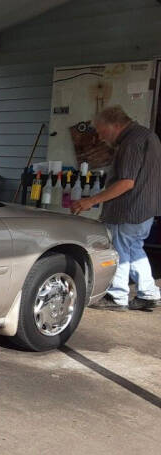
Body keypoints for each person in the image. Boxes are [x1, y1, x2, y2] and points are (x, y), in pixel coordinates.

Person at [72, 106, 161, 311]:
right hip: (145, 209)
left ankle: (117, 296)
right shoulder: (149, 136)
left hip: (128, 209)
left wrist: (90, 201)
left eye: (103, 131)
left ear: (116, 125)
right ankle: (148, 293)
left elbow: (126, 182)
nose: (102, 137)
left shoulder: (131, 142)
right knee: (134, 248)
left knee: (119, 250)